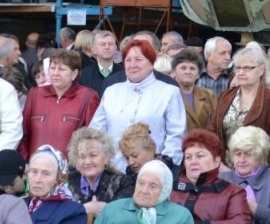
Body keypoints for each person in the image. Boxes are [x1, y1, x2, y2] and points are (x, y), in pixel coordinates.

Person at [90, 38, 186, 169]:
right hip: (114, 170)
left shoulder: (169, 92)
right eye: (128, 60)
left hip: (153, 172)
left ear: (151, 63)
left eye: (138, 60)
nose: (132, 65)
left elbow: (176, 136)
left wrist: (163, 168)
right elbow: (96, 132)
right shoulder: (111, 91)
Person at [212, 44, 270, 166]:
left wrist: (256, 168)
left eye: (247, 68)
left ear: (261, 70)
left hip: (256, 168)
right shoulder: (225, 96)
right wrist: (218, 164)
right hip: (223, 168)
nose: (241, 72)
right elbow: (213, 132)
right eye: (238, 68)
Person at [19, 49, 98, 158]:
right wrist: (26, 160)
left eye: (61, 69)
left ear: (74, 74)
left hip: (70, 167)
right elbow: (23, 134)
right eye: (52, 68)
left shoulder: (87, 97)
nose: (55, 73)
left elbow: (93, 138)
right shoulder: (35, 94)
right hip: (36, 165)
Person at [25, 144, 86, 224]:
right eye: (34, 171)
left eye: (46, 173)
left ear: (59, 178)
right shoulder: (17, 205)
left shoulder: (72, 211)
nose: (37, 179)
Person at [65, 126, 127, 214]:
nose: (87, 162)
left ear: (106, 157)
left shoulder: (122, 183)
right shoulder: (66, 185)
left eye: (93, 155)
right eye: (82, 157)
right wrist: (83, 209)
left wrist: (108, 209)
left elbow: (124, 215)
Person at [170, 50, 216, 133]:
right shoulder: (167, 96)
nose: (188, 72)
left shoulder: (209, 95)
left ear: (198, 74)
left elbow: (215, 123)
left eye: (192, 68)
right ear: (173, 72)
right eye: (183, 68)